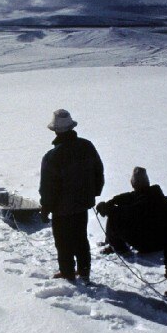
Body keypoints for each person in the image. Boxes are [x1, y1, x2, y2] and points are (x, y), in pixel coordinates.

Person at [39, 109, 104, 284]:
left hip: (62, 208)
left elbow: (47, 188)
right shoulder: (87, 146)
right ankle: (84, 272)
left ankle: (67, 272)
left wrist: (45, 209)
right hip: (83, 203)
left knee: (63, 241)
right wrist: (94, 193)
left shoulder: (52, 157)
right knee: (81, 238)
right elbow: (99, 171)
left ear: (55, 131)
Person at [95, 167, 167, 255]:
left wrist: (107, 209)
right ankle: (110, 242)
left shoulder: (142, 203)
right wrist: (112, 201)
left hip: (150, 245)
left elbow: (125, 211)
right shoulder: (155, 195)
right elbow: (129, 196)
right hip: (163, 242)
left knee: (114, 216)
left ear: (134, 184)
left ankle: (119, 248)